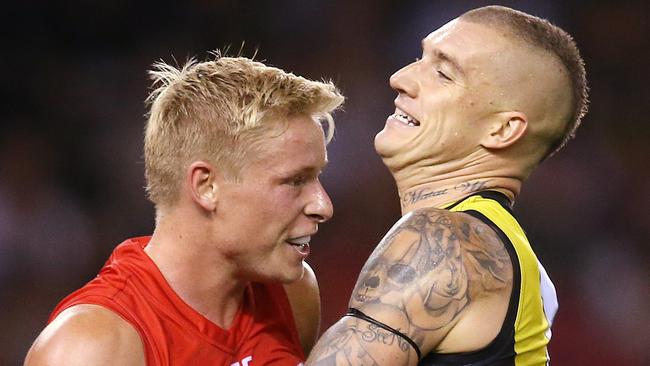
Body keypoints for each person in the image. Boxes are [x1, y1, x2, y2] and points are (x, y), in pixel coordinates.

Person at [307, 5, 587, 366]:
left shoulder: (448, 241)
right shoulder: (503, 249)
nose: (400, 77)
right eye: (419, 58)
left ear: (502, 130)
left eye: (442, 73)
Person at [24, 54, 344, 365]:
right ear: (206, 186)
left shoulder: (292, 294)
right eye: (294, 181)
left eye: (316, 177)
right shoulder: (92, 347)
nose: (323, 205)